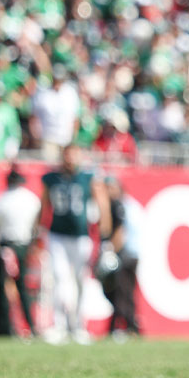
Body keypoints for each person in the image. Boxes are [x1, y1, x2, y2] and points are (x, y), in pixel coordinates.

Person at [40, 144, 111, 344]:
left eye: (74, 155)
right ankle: (59, 325)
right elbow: (44, 205)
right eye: (67, 156)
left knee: (80, 280)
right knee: (59, 278)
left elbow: (102, 204)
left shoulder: (88, 177)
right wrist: (39, 230)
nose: (70, 160)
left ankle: (79, 326)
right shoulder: (51, 178)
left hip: (81, 236)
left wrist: (105, 236)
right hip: (57, 234)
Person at [0, 166, 42, 337]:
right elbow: (37, 224)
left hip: (4, 246)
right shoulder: (31, 199)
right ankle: (31, 326)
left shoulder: (0, 199)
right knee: (23, 288)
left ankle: (4, 328)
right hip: (23, 246)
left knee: (3, 288)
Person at [102, 178, 141, 337]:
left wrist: (109, 250)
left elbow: (121, 233)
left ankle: (126, 326)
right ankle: (127, 326)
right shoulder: (132, 205)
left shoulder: (121, 206)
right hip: (133, 254)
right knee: (125, 292)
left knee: (122, 292)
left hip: (127, 255)